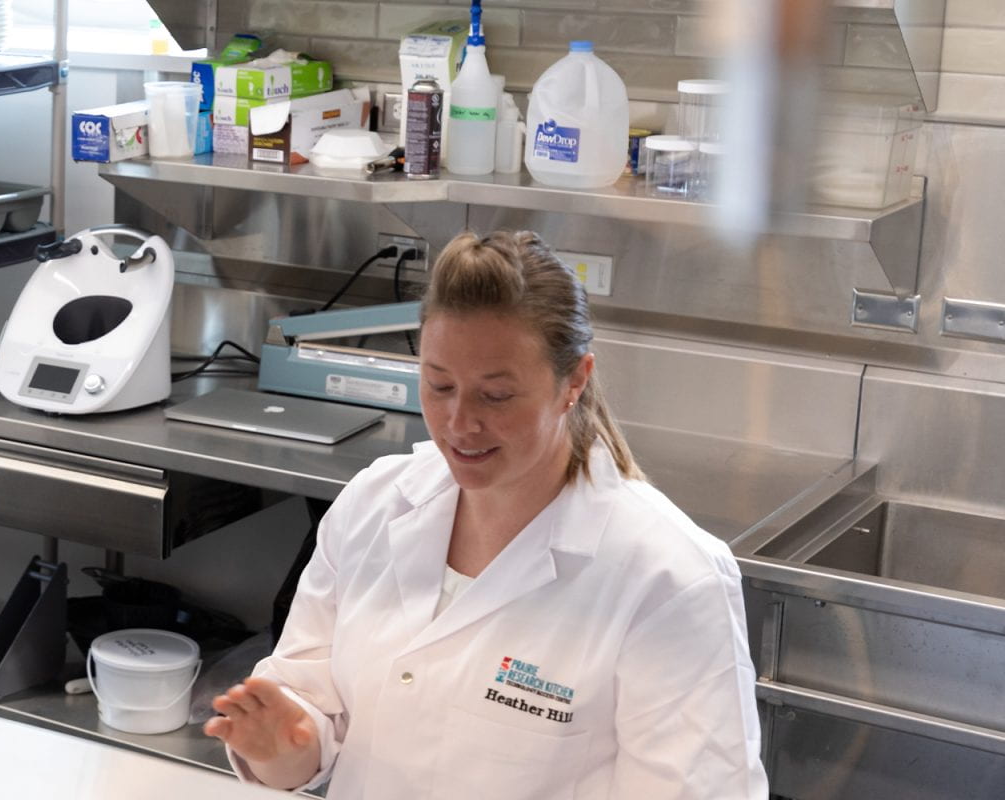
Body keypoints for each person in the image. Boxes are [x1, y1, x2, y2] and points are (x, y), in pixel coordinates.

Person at [204, 231, 766, 798]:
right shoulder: (374, 504)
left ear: (574, 380)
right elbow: (307, 720)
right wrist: (284, 749)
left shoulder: (671, 578)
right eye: (439, 385)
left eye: (495, 396)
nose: (459, 423)